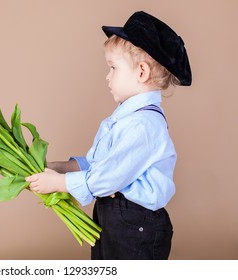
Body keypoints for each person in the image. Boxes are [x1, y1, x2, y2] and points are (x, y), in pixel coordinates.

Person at [26, 11, 192, 259]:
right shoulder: (125, 116)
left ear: (142, 72)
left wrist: (60, 184)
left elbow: (110, 175)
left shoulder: (143, 124)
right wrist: (59, 167)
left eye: (113, 68)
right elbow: (102, 163)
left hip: (136, 223)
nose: (107, 76)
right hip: (116, 214)